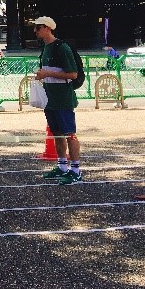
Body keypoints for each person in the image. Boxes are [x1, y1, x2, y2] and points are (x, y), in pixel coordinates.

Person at [33, 16, 82, 185]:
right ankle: (62, 166)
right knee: (57, 134)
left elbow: (73, 74)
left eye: (38, 28)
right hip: (50, 98)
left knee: (69, 133)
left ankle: (75, 170)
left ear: (47, 28)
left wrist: (47, 74)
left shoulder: (62, 48)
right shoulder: (46, 48)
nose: (35, 31)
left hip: (63, 98)